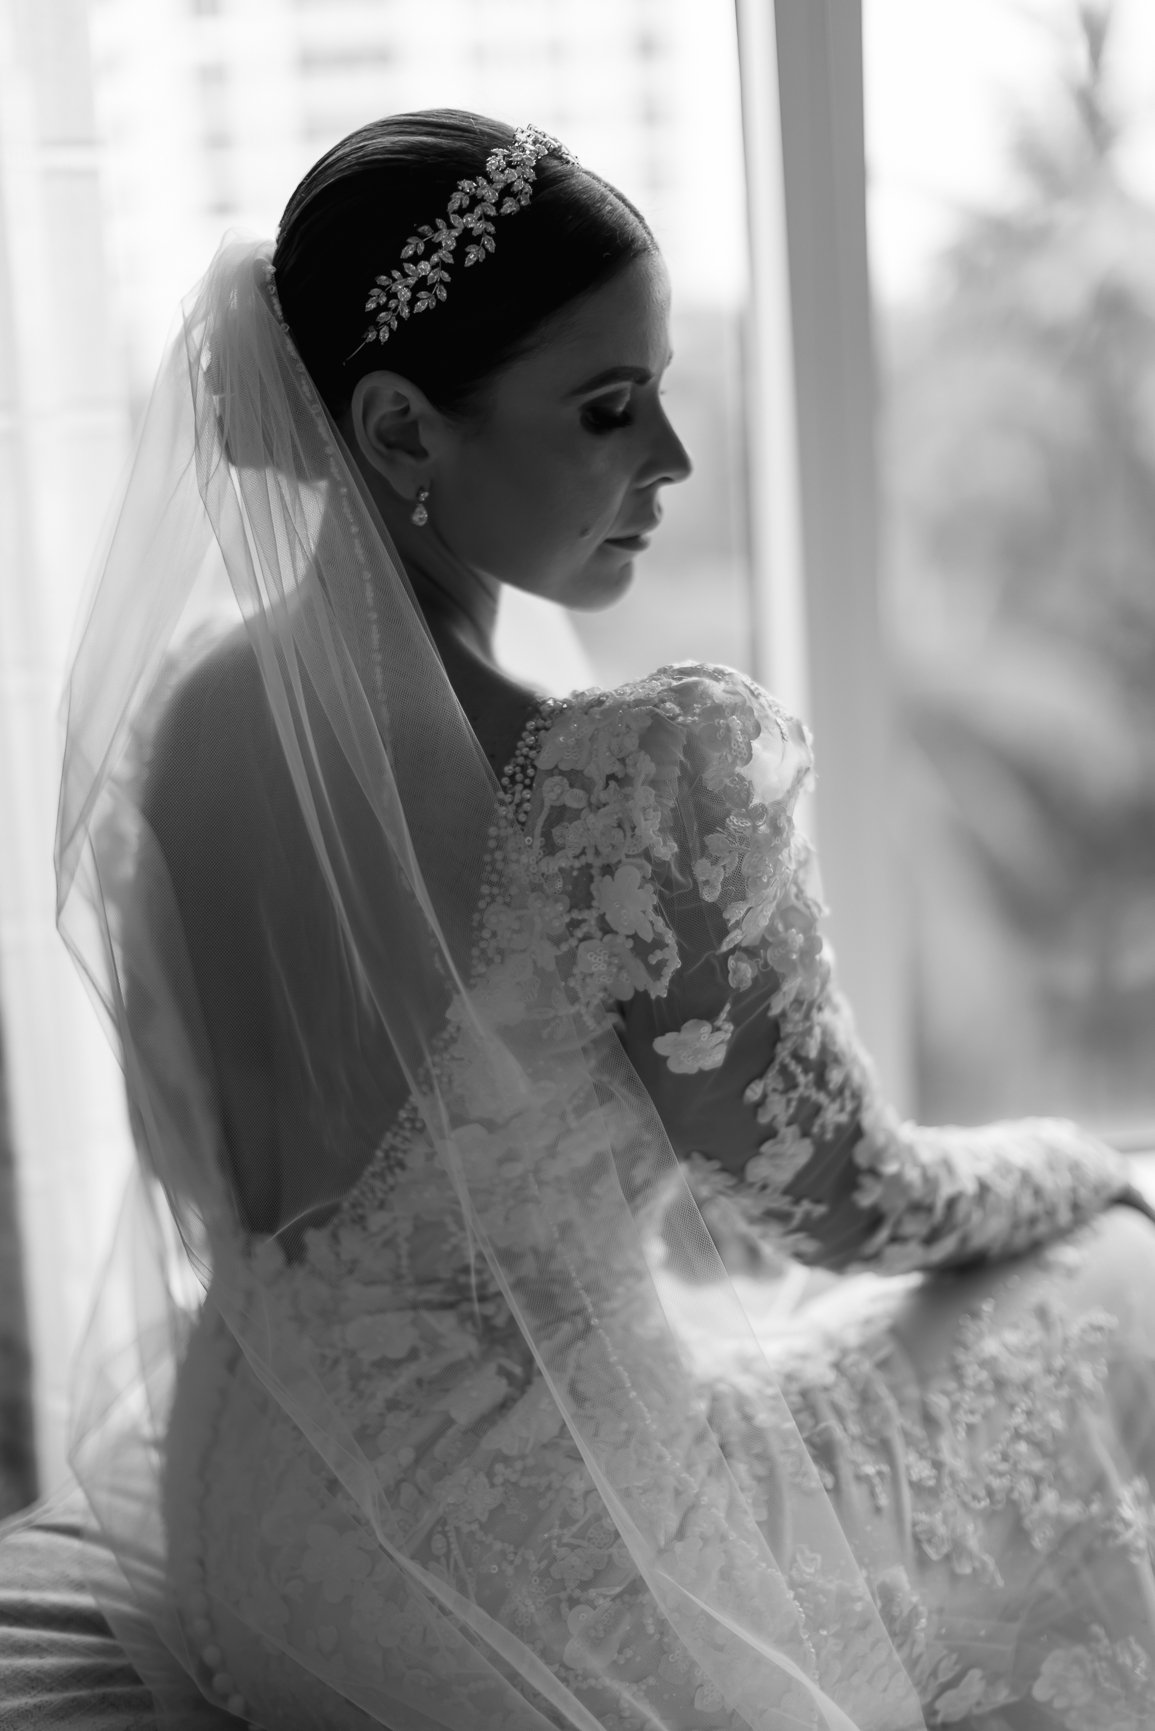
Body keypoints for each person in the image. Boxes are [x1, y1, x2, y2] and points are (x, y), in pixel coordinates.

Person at [48, 108, 1155, 1731]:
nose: (675, 459)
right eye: (608, 408)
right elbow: (845, 1206)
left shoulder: (202, 711)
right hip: (534, 1588)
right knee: (1112, 1290)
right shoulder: (632, 779)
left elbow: (203, 1162)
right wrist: (1078, 1167)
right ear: (401, 430)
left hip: (255, 1530)